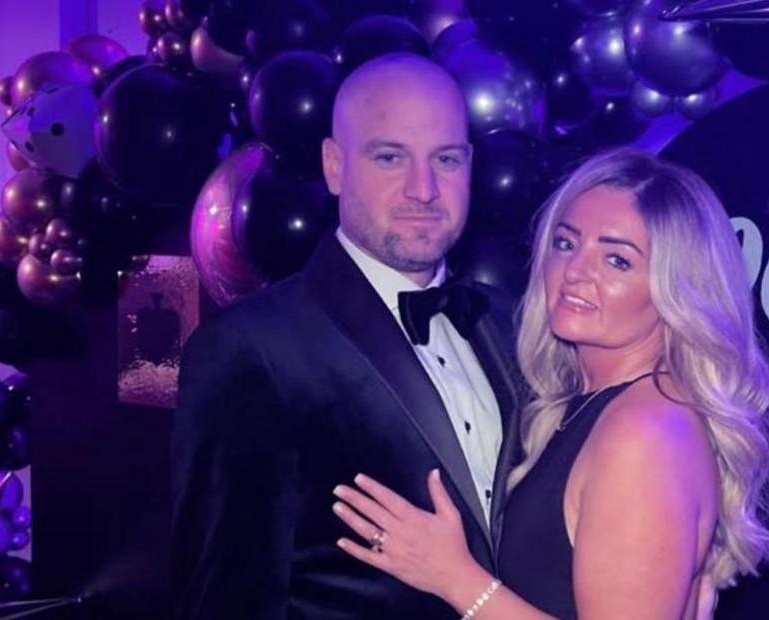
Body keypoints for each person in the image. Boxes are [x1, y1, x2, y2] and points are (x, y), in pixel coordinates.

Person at [330, 148, 769, 619]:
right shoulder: (597, 404)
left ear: (675, 288)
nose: (575, 272)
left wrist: (455, 577)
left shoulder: (645, 434)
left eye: (617, 260)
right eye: (567, 244)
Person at [171, 53, 525, 619]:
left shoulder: (506, 324)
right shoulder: (250, 349)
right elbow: (224, 600)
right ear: (335, 166)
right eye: (390, 157)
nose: (424, 189)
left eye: (447, 159)